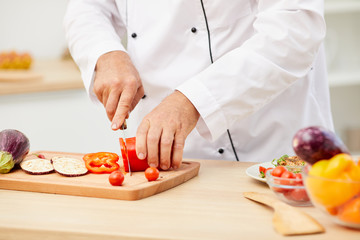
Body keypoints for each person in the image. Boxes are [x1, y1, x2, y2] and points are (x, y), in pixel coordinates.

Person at [64, 0, 334, 170]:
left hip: (270, 144)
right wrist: (105, 52)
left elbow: (293, 32)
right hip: (168, 163)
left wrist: (192, 101)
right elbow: (88, 7)